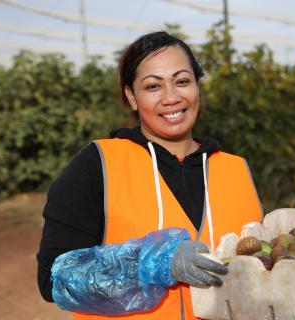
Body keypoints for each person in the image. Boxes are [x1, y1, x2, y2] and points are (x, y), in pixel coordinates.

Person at [37, 31, 263, 320]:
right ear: (131, 96)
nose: (171, 97)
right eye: (153, 86)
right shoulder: (99, 164)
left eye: (182, 81)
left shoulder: (235, 169)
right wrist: (156, 263)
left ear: (197, 87)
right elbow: (54, 280)